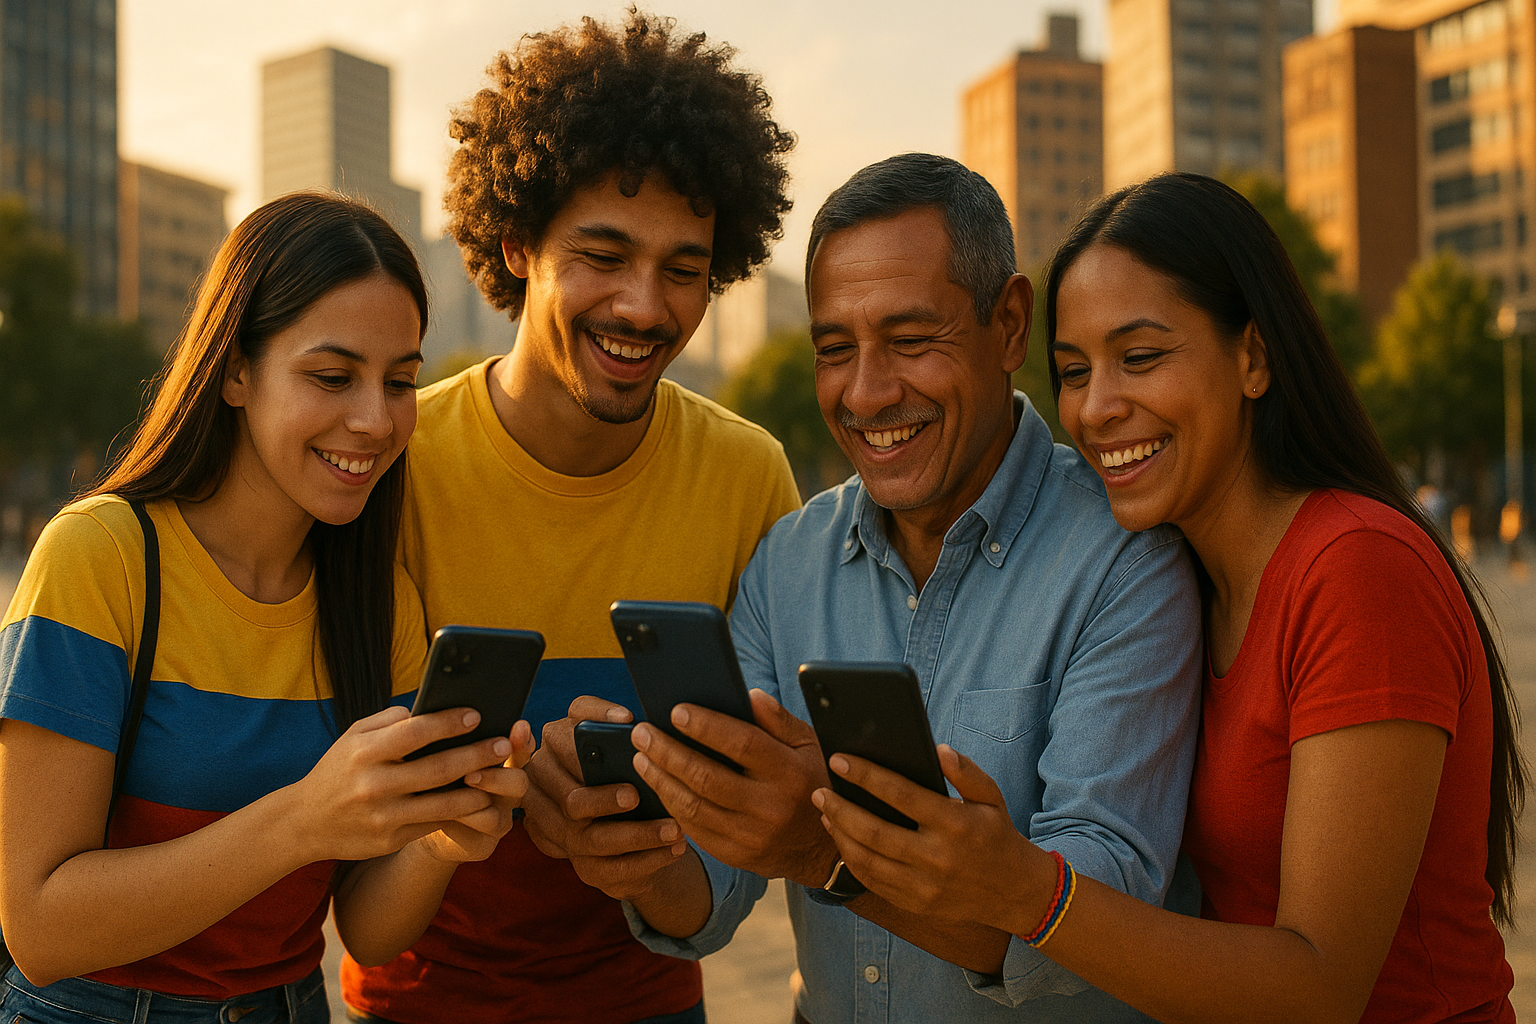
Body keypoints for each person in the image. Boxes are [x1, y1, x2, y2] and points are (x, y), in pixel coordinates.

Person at [814, 172, 1523, 1024]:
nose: (1098, 408)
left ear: (1253, 357)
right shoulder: (1182, 572)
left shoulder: (1357, 569)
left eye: (1141, 358)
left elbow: (1321, 984)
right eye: (1074, 372)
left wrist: (1024, 889)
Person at [538, 152, 1204, 1023]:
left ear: (1008, 326)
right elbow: (711, 890)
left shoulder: (1128, 560)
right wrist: (633, 845)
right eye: (834, 350)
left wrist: (825, 851)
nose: (867, 393)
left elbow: (1102, 914)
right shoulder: (787, 563)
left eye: (911, 340)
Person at [337, 11, 800, 1024]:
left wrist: (643, 852)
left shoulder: (749, 475)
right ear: (516, 245)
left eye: (685, 268)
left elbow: (760, 824)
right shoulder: (393, 467)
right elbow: (355, 852)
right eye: (603, 255)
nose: (645, 305)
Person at [0, 192, 535, 1023]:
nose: (374, 419)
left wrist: (442, 838)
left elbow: (365, 928)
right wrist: (304, 820)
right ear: (235, 371)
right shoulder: (100, 558)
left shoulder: (373, 599)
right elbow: (38, 927)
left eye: (400, 383)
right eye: (332, 376)